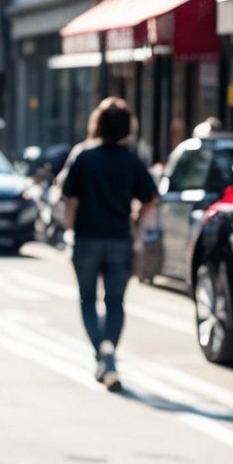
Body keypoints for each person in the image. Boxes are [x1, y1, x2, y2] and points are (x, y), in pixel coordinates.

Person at [60, 96, 158, 392]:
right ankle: (109, 353)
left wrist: (67, 232)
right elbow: (151, 198)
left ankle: (102, 355)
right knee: (115, 302)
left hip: (87, 239)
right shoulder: (132, 160)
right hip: (119, 239)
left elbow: (70, 200)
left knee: (87, 299)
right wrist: (138, 223)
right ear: (127, 126)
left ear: (97, 124)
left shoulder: (84, 157)